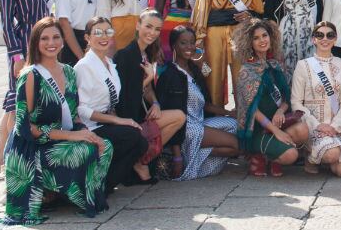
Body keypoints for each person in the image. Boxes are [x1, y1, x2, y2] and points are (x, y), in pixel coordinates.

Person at [0, 18, 112, 224]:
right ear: (35, 42)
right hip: (32, 146)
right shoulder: (30, 75)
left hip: (59, 139)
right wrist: (72, 136)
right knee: (83, 150)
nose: (51, 42)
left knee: (104, 145)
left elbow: (73, 115)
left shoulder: (69, 72)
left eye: (56, 37)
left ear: (63, 41)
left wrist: (87, 133)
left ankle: (65, 194)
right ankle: (46, 191)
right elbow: (24, 127)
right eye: (44, 38)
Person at [0, 0, 54, 170]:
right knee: (17, 102)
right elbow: (6, 22)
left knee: (31, 101)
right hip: (23, 45)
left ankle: (1, 158)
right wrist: (17, 57)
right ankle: (8, 158)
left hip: (46, 44)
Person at [74, 16, 153, 188]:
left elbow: (119, 96)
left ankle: (106, 182)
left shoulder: (109, 63)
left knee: (139, 141)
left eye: (108, 32)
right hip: (91, 126)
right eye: (98, 33)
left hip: (106, 121)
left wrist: (149, 78)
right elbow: (82, 110)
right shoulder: (84, 66)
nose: (104, 37)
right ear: (87, 37)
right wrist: (119, 120)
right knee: (133, 138)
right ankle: (102, 184)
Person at [156, 25, 239, 181]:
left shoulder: (193, 67)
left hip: (199, 121)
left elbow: (207, 96)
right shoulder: (170, 75)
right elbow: (171, 117)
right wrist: (176, 155)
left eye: (192, 42)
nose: (189, 47)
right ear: (173, 45)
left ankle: (195, 153)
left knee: (235, 125)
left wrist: (231, 113)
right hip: (186, 129)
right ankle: (187, 154)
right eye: (183, 43)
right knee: (236, 145)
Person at [191, 0, 265, 107]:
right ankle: (215, 115)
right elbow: (201, 11)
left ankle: (244, 117)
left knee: (242, 76)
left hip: (240, 33)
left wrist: (250, 14)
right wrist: (200, 38)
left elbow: (259, 11)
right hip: (214, 34)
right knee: (213, 76)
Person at [234, 19, 308, 178]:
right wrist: (276, 131)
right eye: (256, 38)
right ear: (249, 43)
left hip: (277, 123)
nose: (262, 40)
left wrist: (280, 112)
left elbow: (286, 99)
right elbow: (250, 109)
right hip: (258, 129)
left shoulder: (275, 65)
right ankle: (260, 155)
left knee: (303, 130)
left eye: (264, 35)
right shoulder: (246, 71)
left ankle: (273, 156)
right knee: (291, 156)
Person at [114, 10, 187, 169]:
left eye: (157, 29)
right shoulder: (124, 55)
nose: (152, 33)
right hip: (128, 117)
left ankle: (142, 158)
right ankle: (137, 158)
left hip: (143, 112)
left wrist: (155, 103)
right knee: (179, 116)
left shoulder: (147, 52)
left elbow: (147, 90)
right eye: (148, 26)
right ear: (138, 25)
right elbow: (124, 96)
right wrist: (147, 78)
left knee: (179, 117)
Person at [289, 22, 341, 176]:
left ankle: (323, 155)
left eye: (330, 35)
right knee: (332, 154)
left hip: (336, 126)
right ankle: (309, 157)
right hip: (313, 125)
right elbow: (296, 102)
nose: (325, 39)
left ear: (335, 39)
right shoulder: (303, 65)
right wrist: (318, 125)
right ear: (313, 40)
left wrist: (334, 126)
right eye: (320, 35)